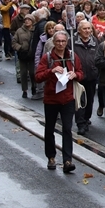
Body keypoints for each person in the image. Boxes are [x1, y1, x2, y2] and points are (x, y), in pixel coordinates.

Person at [35, 30, 83, 173]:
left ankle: (68, 160)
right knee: (50, 128)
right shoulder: (47, 57)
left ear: (67, 42)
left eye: (63, 41)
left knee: (67, 129)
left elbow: (81, 72)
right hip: (51, 99)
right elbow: (38, 76)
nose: (61, 44)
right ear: (53, 42)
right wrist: (51, 71)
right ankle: (51, 157)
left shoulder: (72, 56)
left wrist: (75, 75)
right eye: (58, 41)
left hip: (68, 98)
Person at [72, 20, 99, 136]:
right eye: (85, 29)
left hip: (91, 76)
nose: (87, 31)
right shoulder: (73, 42)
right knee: (80, 100)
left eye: (89, 28)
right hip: (79, 76)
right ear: (79, 30)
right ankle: (80, 123)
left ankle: (87, 118)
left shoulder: (95, 41)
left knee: (90, 100)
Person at [12, 14, 37, 98]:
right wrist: (20, 47)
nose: (27, 21)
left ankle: (34, 86)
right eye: (26, 19)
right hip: (23, 54)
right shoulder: (19, 31)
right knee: (23, 73)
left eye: (29, 19)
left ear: (32, 21)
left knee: (33, 73)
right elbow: (14, 42)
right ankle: (24, 90)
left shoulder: (35, 30)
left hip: (32, 55)